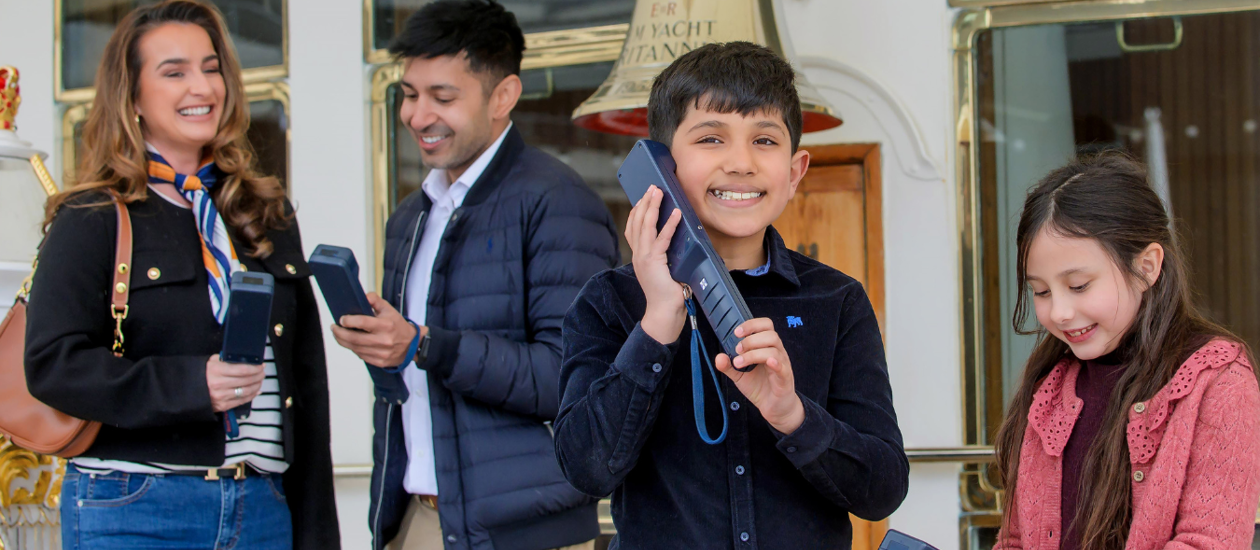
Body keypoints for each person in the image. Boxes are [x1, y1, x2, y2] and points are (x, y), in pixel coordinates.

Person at [554, 41, 909, 549]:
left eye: (764, 140)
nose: (741, 163)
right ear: (662, 166)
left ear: (795, 172)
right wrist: (659, 321)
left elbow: (883, 490)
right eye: (711, 138)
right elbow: (586, 469)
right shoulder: (608, 300)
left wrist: (793, 416)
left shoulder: (837, 300)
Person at [22, 2, 339, 548]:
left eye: (211, 68)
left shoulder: (266, 211)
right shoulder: (93, 214)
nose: (203, 87)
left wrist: (316, 533)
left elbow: (307, 386)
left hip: (264, 508)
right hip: (134, 508)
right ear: (132, 96)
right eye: (174, 72)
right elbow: (52, 365)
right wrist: (193, 386)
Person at [328, 1, 618, 549]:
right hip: (415, 519)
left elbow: (570, 381)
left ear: (503, 96)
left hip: (524, 533)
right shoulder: (411, 217)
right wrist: (387, 345)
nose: (418, 116)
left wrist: (422, 344)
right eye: (409, 95)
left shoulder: (558, 202)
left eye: (443, 98)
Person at [992, 154, 1260, 549]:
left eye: (1079, 285)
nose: (1060, 312)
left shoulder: (1219, 381)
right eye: (1042, 291)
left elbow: (1208, 542)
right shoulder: (1050, 387)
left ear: (1147, 266)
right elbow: (1015, 540)